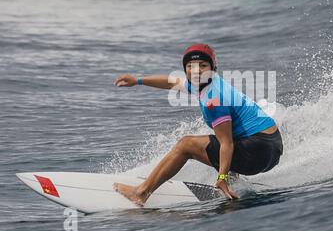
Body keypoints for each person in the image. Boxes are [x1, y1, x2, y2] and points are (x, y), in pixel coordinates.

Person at [113, 44, 283, 205]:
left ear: (212, 68)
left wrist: (221, 177)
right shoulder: (204, 83)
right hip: (272, 147)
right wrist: (137, 80)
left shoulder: (213, 99)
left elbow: (227, 143)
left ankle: (141, 193)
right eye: (190, 66)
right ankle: (232, 181)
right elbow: (171, 82)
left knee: (186, 145)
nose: (196, 70)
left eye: (202, 65)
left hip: (257, 153)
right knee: (223, 137)